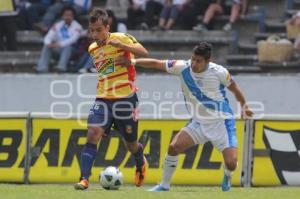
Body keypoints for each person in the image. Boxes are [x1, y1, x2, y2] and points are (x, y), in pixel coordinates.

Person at [118, 41, 253, 191]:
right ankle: (164, 185)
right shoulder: (183, 67)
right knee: (173, 147)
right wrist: (132, 61)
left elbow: (235, 89)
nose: (194, 63)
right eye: (193, 59)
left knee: (231, 163)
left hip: (222, 122)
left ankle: (227, 175)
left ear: (208, 61)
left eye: (199, 61)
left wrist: (244, 106)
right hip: (198, 122)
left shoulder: (219, 72)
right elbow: (156, 63)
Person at [74, 8, 149, 190]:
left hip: (126, 99)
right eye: (92, 30)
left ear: (108, 27)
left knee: (131, 144)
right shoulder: (92, 48)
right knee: (93, 133)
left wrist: (124, 48)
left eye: (99, 29)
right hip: (103, 99)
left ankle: (140, 162)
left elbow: (143, 52)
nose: (95, 34)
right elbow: (106, 70)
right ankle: (84, 179)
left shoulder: (121, 38)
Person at [35, 6, 82, 72]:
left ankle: (61, 67)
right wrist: (48, 44)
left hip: (72, 52)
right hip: (58, 50)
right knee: (46, 46)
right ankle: (42, 68)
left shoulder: (78, 27)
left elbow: (72, 40)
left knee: (67, 47)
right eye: (66, 15)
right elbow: (48, 37)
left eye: (70, 15)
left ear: (73, 16)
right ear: (62, 16)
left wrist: (57, 45)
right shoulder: (57, 25)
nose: (68, 17)